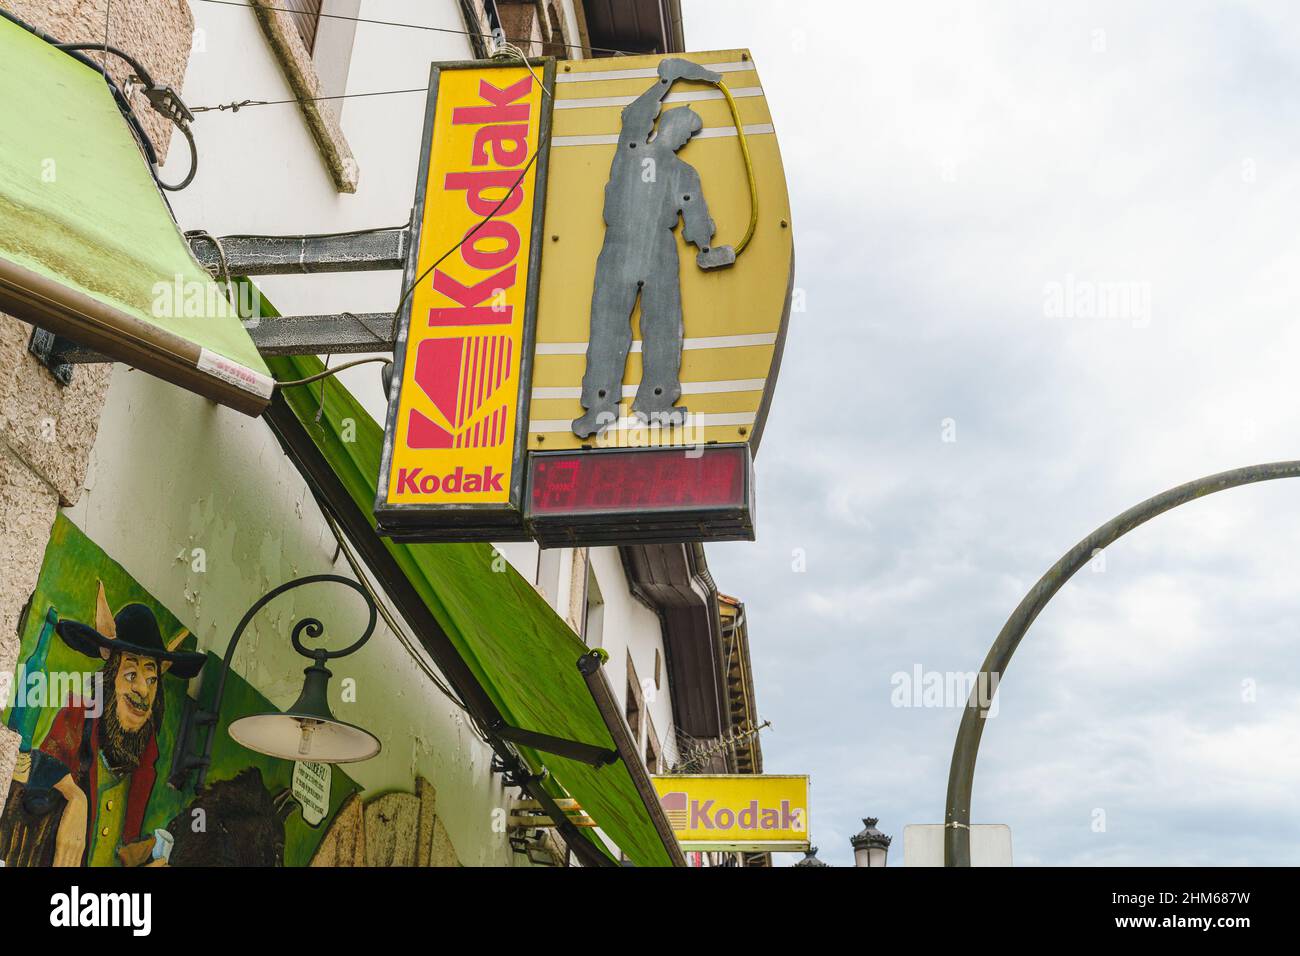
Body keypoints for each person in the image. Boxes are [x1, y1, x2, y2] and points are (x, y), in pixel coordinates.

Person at [572, 58, 733, 439]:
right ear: (672, 131)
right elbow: (696, 223)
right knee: (635, 326)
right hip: (637, 248)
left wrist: (706, 244)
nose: (684, 140)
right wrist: (667, 77)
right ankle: (625, 405)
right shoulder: (652, 159)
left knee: (635, 326)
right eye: (685, 133)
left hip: (635, 249)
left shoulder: (642, 157)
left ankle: (627, 404)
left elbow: (696, 221)